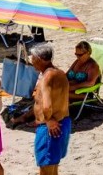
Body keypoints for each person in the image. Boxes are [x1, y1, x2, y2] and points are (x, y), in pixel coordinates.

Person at [31, 43, 71, 175]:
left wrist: (48, 120)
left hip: (51, 126)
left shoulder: (47, 77)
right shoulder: (58, 73)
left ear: (39, 59)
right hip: (62, 122)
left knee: (46, 168)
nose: (31, 60)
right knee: (53, 167)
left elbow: (47, 105)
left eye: (33, 57)